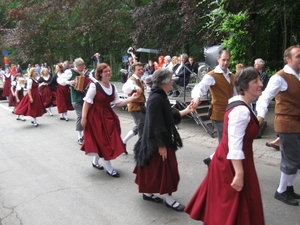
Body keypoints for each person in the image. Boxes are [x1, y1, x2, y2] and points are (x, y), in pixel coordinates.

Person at [185, 67, 265, 224]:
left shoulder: (241, 104)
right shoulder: (240, 110)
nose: (261, 84)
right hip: (232, 164)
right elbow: (234, 145)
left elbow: (228, 139)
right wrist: (240, 173)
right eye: (256, 81)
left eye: (260, 80)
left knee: (236, 206)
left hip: (231, 160)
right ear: (244, 86)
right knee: (232, 207)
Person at [133, 68, 193, 212]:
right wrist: (161, 145)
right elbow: (156, 123)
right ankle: (169, 200)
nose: (172, 82)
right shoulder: (155, 99)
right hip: (158, 141)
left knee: (153, 170)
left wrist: (187, 110)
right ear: (165, 82)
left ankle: (148, 193)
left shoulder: (160, 95)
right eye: (171, 80)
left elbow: (168, 114)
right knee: (167, 170)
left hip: (157, 139)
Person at [256, 45, 300, 206]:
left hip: (297, 123)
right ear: (288, 59)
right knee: (291, 160)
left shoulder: (298, 75)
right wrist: (260, 115)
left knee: (296, 161)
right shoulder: (279, 77)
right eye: (298, 56)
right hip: (287, 124)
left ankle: (287, 187)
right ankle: (281, 191)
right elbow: (265, 97)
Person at [80, 63, 140, 177]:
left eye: (109, 71)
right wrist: (83, 118)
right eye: (105, 71)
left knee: (108, 139)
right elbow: (87, 102)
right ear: (100, 74)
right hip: (95, 117)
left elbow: (118, 103)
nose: (108, 73)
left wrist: (131, 98)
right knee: (103, 141)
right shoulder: (95, 86)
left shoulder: (112, 87)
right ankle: (109, 167)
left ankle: (95, 161)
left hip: (108, 116)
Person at [191, 49, 236, 165]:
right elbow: (200, 87)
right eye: (223, 60)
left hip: (231, 113)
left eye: (227, 60)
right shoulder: (212, 75)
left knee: (228, 140)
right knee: (225, 140)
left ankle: (212, 159)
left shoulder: (232, 76)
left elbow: (236, 94)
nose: (225, 62)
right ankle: (221, 163)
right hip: (219, 113)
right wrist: (197, 97)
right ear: (218, 59)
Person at [58, 58, 91, 145]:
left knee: (87, 116)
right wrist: (69, 82)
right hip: (76, 98)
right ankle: (80, 136)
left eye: (83, 66)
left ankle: (86, 134)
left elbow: (92, 81)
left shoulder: (86, 72)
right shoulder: (70, 72)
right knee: (81, 116)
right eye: (80, 67)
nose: (82, 68)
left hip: (86, 98)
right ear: (76, 66)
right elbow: (60, 80)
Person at [122, 62, 146, 153]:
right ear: (133, 71)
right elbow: (126, 88)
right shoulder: (131, 80)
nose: (141, 71)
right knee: (142, 128)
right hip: (135, 107)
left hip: (141, 107)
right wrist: (135, 87)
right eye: (138, 69)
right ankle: (141, 150)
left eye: (141, 69)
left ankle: (123, 142)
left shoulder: (139, 79)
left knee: (141, 125)